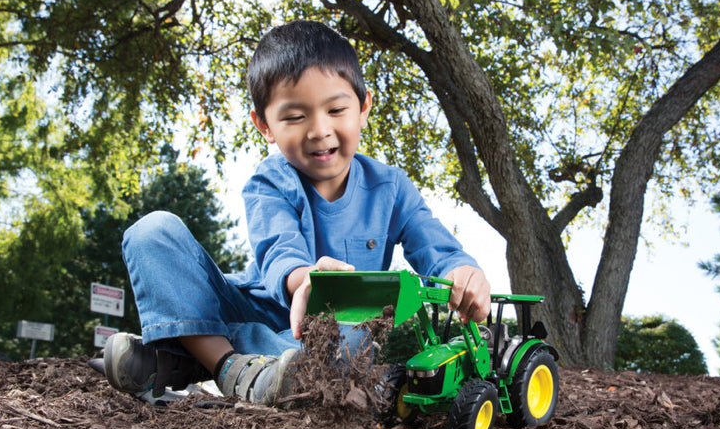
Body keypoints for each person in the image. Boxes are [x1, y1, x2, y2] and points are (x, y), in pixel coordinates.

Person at [103, 20, 491, 406]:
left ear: (363, 108)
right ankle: (230, 368)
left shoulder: (391, 187)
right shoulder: (269, 181)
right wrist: (307, 279)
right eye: (294, 117)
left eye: (336, 109)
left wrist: (460, 269)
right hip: (261, 307)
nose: (319, 130)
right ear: (264, 125)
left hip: (329, 332)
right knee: (151, 232)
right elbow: (279, 250)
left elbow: (435, 246)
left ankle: (185, 357)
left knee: (364, 343)